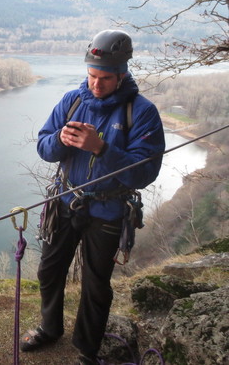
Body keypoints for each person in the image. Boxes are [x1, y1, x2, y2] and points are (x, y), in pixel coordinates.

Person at [21, 30, 165, 364]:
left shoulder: (141, 113)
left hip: (109, 209)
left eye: (104, 78)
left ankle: (87, 349)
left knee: (96, 284)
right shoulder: (72, 100)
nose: (95, 85)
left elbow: (146, 172)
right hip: (67, 201)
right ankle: (49, 328)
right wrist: (61, 139)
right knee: (49, 269)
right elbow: (44, 147)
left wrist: (101, 148)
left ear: (122, 75)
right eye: (91, 76)